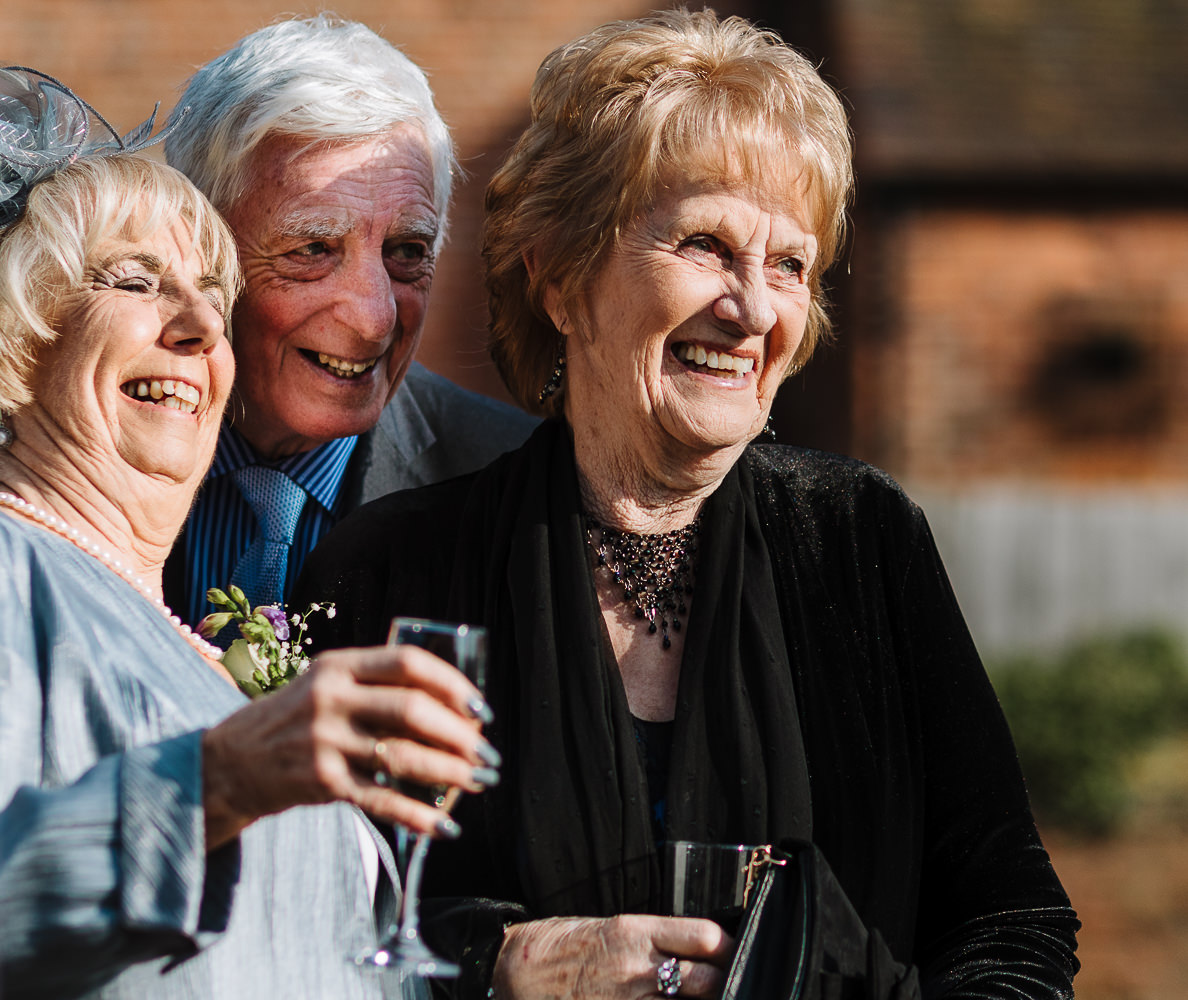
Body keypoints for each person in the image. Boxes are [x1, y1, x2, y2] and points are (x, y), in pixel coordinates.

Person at [295, 11, 1079, 1000]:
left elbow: (1012, 923)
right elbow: (307, 923)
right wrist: (499, 962)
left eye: (791, 264)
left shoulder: (860, 541)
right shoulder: (395, 572)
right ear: (560, 278)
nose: (754, 309)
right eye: (707, 245)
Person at [0, 67, 498, 998]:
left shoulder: (203, 651)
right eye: (136, 282)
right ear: (11, 343)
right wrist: (215, 782)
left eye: (213, 297)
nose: (195, 328)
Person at [160, 15, 537, 623]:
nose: (374, 319)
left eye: (407, 253)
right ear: (200, 248)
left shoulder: (520, 494)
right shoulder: (65, 449)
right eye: (312, 250)